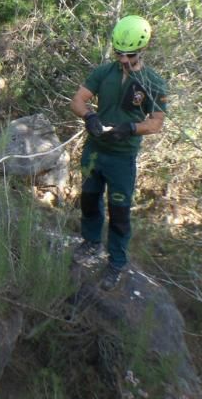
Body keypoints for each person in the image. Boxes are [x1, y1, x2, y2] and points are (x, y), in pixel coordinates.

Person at [70, 16, 168, 290]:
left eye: (130, 55)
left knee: (120, 211)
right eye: (119, 54)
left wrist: (130, 128)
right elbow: (78, 100)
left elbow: (157, 123)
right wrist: (89, 117)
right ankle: (90, 242)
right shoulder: (104, 73)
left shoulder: (153, 83)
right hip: (95, 150)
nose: (124, 60)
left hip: (122, 158)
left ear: (142, 50)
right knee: (89, 200)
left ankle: (116, 262)